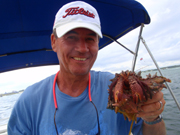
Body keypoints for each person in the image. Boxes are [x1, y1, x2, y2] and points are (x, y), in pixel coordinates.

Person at [8, 1, 166, 135]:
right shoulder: (28, 103)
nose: (83, 48)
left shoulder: (119, 88)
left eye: (90, 39)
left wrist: (152, 117)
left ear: (98, 43)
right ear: (53, 42)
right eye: (71, 37)